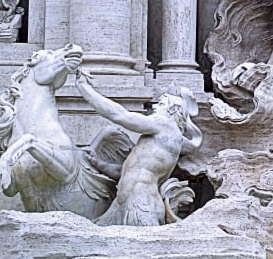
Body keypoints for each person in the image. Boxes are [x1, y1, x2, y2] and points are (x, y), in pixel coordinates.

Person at [75, 69, 202, 226]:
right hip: (122, 205)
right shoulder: (159, 138)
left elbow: (120, 116)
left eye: (161, 104)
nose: (155, 107)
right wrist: (99, 164)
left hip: (142, 205)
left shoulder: (165, 124)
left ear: (172, 110)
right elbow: (127, 172)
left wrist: (85, 89)